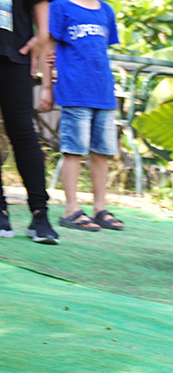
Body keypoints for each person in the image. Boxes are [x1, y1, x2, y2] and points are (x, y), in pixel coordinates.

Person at [47, 0, 124, 234]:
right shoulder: (59, 6)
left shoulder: (106, 10)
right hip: (74, 91)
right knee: (74, 150)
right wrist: (46, 87)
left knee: (102, 151)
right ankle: (71, 208)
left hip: (102, 91)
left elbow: (100, 49)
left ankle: (99, 207)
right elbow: (48, 50)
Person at [0, 0, 58, 244]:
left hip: (15, 50)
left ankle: (40, 215)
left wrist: (43, 35)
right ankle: (1, 211)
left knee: (23, 132)